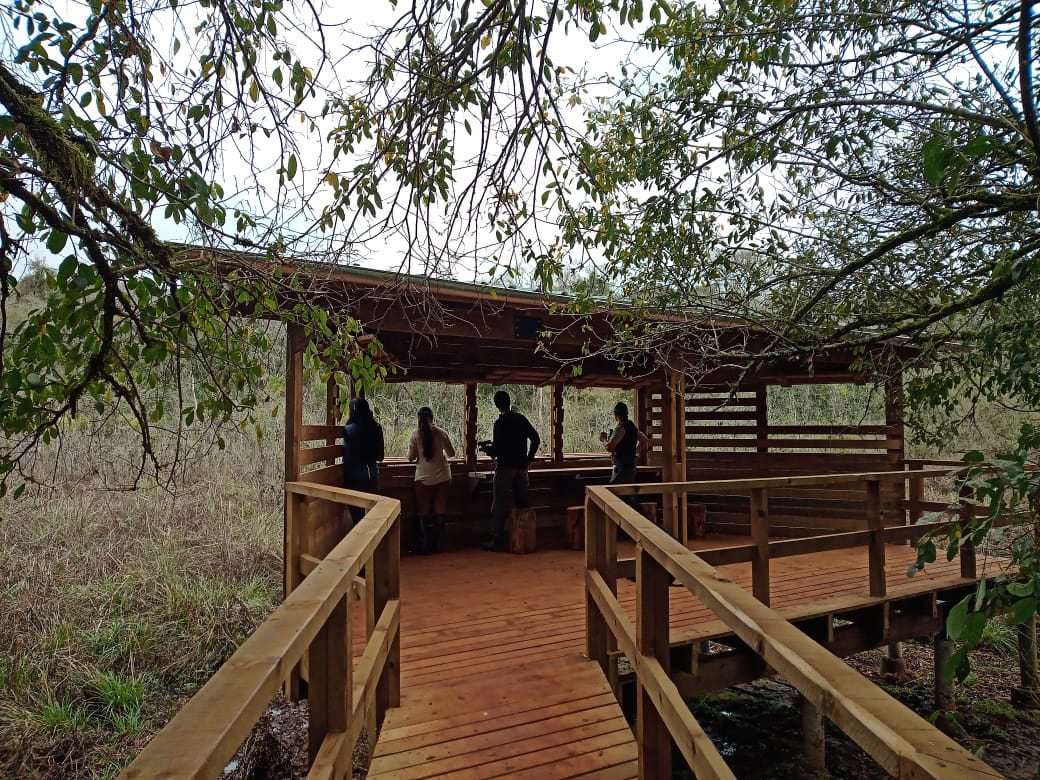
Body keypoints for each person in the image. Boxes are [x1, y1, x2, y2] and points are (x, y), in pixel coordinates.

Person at [485, 390, 540, 551]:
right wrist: (529, 458)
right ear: (509, 402)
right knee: (523, 503)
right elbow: (535, 438)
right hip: (522, 468)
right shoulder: (521, 419)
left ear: (496, 405)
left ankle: (497, 540)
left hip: (504, 467)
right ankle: (526, 539)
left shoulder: (500, 424)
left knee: (499, 504)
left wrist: (489, 451)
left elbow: (499, 449)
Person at [407, 406, 456, 553]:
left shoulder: (415, 435)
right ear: (432, 418)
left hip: (423, 478)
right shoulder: (441, 433)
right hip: (443, 476)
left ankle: (426, 545)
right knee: (439, 509)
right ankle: (439, 544)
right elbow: (452, 453)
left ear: (418, 418)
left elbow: (411, 457)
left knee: (423, 511)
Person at [342, 396, 385, 525]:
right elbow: (380, 457)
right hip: (372, 475)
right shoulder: (376, 427)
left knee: (357, 518)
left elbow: (348, 457)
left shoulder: (349, 430)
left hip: (353, 478)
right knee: (371, 517)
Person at [599, 401, 649, 500]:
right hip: (630, 467)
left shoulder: (620, 428)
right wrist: (632, 453)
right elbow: (645, 441)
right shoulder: (632, 426)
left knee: (615, 496)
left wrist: (603, 439)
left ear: (615, 415)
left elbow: (610, 447)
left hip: (622, 468)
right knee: (626, 495)